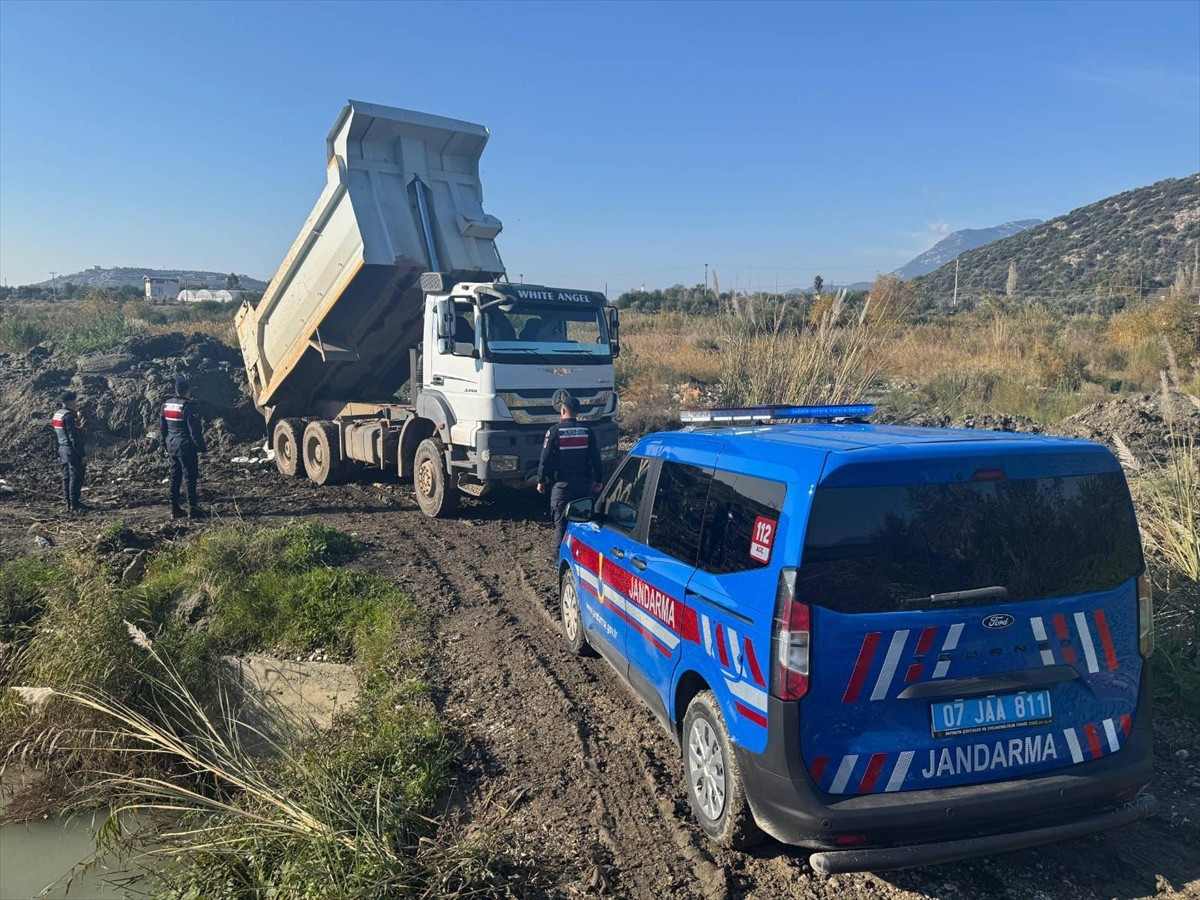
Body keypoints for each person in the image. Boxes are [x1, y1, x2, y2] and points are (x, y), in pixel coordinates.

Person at [538, 395, 604, 547]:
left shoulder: (554, 431)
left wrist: (540, 480)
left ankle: (560, 561)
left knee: (561, 525)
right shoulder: (587, 431)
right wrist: (599, 480)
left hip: (562, 486)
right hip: (583, 485)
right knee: (582, 523)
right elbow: (596, 458)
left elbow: (545, 459)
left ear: (562, 410)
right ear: (578, 412)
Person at [160, 378, 208, 518]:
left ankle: (174, 508)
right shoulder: (188, 406)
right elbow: (195, 431)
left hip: (171, 446)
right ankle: (193, 509)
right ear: (187, 391)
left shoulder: (166, 405)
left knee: (175, 476)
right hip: (186, 447)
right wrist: (202, 449)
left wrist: (164, 444)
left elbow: (163, 428)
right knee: (189, 477)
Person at [52, 391, 87, 515]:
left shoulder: (57, 415)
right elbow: (74, 438)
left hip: (62, 449)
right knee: (75, 478)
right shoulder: (69, 417)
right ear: (70, 402)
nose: (76, 403)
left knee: (66, 477)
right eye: (75, 401)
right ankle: (74, 505)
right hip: (72, 451)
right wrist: (82, 455)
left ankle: (69, 503)